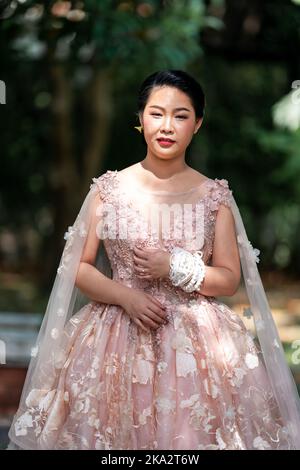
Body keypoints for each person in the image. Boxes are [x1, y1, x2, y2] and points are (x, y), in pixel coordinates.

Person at [7, 70, 300, 450]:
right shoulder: (108, 190)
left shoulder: (215, 197)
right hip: (112, 339)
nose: (167, 126)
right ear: (140, 118)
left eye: (180, 115)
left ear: (197, 124)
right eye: (156, 113)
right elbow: (77, 266)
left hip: (196, 347)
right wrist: (126, 297)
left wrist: (174, 267)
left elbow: (228, 279)